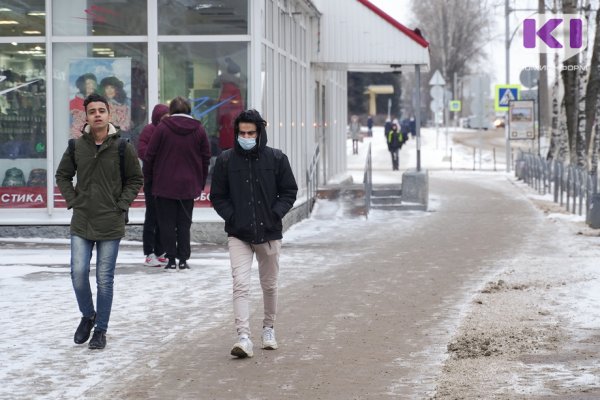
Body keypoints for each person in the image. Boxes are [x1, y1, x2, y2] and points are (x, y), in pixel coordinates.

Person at [55, 93, 143, 350]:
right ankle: (88, 315)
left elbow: (135, 179)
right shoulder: (76, 146)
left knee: (105, 278)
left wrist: (121, 205)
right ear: (86, 116)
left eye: (101, 110)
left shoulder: (123, 147)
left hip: (110, 221)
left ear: (109, 114)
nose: (97, 114)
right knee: (78, 273)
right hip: (82, 219)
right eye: (92, 111)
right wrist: (73, 200)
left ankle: (100, 330)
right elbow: (62, 175)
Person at [210, 109, 298, 359]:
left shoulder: (277, 159)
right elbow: (218, 195)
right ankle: (243, 337)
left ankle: (268, 329)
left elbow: (289, 191)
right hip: (239, 233)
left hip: (269, 232)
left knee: (269, 285)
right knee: (240, 284)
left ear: (260, 133)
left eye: (250, 133)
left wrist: (275, 213)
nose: (246, 137)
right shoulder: (226, 161)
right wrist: (233, 216)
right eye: (242, 133)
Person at [143, 96, 211, 270]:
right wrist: (200, 182)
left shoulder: (162, 129)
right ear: (189, 110)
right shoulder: (199, 129)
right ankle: (183, 258)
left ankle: (171, 259)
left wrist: (149, 178)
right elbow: (205, 158)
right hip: (188, 184)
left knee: (166, 223)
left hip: (164, 184)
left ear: (171, 111)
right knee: (184, 223)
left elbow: (150, 155)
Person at [137, 103, 169, 267]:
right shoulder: (149, 130)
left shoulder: (168, 130)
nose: (166, 120)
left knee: (163, 217)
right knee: (152, 217)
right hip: (152, 180)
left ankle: (160, 251)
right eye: (163, 117)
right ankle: (149, 253)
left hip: (165, 180)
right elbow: (142, 150)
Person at [70, 73, 98, 138]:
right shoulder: (72, 103)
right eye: (87, 84)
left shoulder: (101, 102)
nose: (91, 86)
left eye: (92, 83)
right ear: (81, 86)